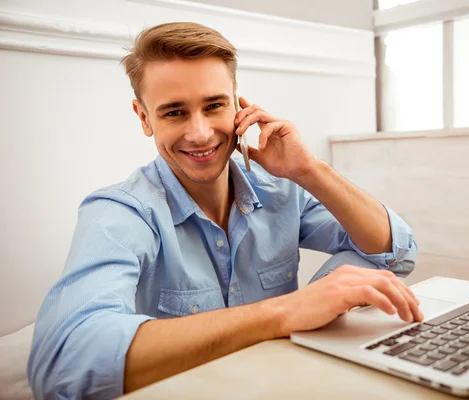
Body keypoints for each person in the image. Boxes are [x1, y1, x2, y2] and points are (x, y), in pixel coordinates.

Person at [27, 22, 422, 398]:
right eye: (174, 112)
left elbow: (395, 251)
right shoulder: (119, 213)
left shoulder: (282, 190)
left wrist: (309, 170)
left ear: (238, 102)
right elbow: (64, 362)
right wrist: (286, 311)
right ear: (144, 118)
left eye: (214, 105)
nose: (199, 133)